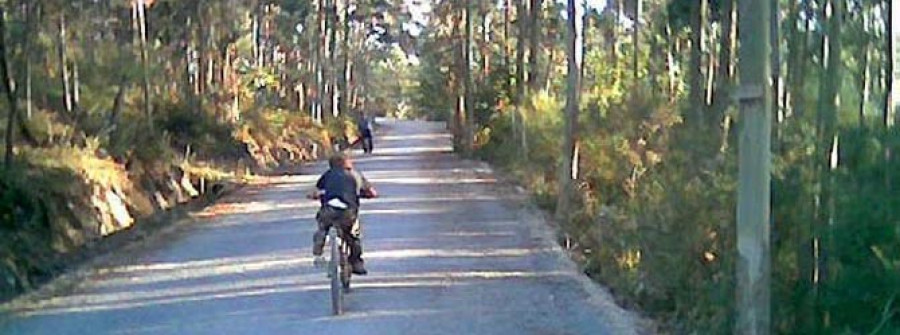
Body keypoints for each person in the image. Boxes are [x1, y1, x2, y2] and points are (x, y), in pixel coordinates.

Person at [309, 154, 377, 275]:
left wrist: (316, 195)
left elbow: (314, 191)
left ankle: (321, 236)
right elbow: (371, 192)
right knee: (354, 236)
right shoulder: (356, 174)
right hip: (348, 212)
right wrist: (366, 194)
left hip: (329, 210)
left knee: (323, 222)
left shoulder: (328, 174)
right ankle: (356, 262)